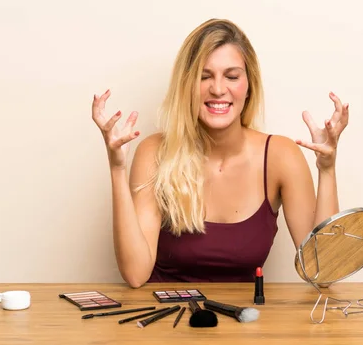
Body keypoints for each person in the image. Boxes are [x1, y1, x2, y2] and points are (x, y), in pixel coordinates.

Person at [92, 18, 349, 288]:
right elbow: (135, 275)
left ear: (249, 86)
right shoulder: (154, 152)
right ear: (186, 85)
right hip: (163, 321)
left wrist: (327, 169)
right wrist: (117, 168)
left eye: (232, 76)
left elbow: (323, 273)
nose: (217, 88)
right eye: (204, 77)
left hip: (245, 323)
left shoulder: (281, 156)